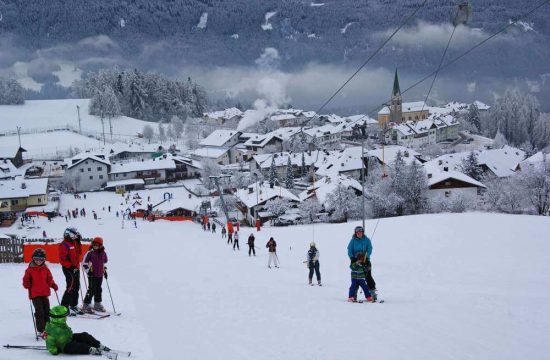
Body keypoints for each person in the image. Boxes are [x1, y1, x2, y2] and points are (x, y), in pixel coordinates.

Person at [45, 305, 115, 358]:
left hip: (69, 338)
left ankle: (98, 345)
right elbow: (49, 343)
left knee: (84, 335)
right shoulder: (51, 329)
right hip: (64, 346)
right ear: (57, 318)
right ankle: (89, 349)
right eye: (64, 316)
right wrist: (55, 350)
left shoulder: (60, 323)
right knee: (76, 346)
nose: (66, 318)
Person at [22, 248, 58, 337]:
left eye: (41, 259)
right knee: (39, 312)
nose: (38, 261)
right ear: (33, 259)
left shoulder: (45, 269)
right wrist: (27, 283)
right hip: (35, 294)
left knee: (47, 311)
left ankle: (48, 327)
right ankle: (41, 329)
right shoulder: (29, 270)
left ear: (44, 259)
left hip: (45, 294)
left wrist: (53, 284)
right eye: (36, 259)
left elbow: (49, 279)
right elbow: (25, 281)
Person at [347, 225, 377, 300]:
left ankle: (372, 293)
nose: (359, 234)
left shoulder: (366, 240)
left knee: (368, 276)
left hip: (365, 260)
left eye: (360, 232)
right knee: (356, 278)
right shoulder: (353, 241)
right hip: (355, 260)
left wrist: (366, 256)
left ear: (363, 233)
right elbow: (349, 249)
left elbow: (370, 248)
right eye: (358, 232)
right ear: (355, 233)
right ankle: (353, 294)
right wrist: (352, 258)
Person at [59, 227, 83, 315]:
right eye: (74, 234)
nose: (75, 236)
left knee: (76, 286)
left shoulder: (75, 243)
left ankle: (73, 305)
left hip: (76, 268)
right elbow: (62, 259)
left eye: (76, 234)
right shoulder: (64, 245)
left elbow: (78, 253)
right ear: (68, 235)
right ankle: (64, 307)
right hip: (68, 268)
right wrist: (70, 266)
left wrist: (78, 241)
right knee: (70, 287)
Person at [82, 237, 108, 313]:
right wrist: (88, 271)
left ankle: (97, 304)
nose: (95, 246)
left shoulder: (103, 253)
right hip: (92, 274)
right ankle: (86, 304)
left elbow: (104, 262)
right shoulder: (90, 252)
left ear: (100, 245)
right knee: (91, 289)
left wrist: (105, 271)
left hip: (100, 274)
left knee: (99, 289)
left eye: (97, 244)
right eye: (94, 244)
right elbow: (84, 264)